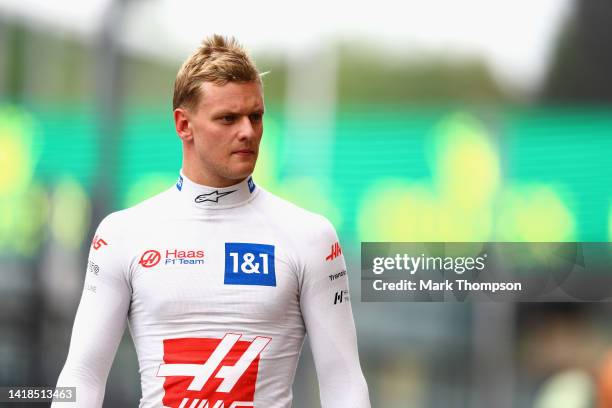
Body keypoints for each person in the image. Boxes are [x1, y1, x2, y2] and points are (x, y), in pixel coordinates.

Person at [53, 34, 370, 408]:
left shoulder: (310, 236)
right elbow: (82, 375)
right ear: (183, 125)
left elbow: (343, 381)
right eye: (228, 118)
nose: (248, 132)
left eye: (256, 116)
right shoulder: (122, 234)